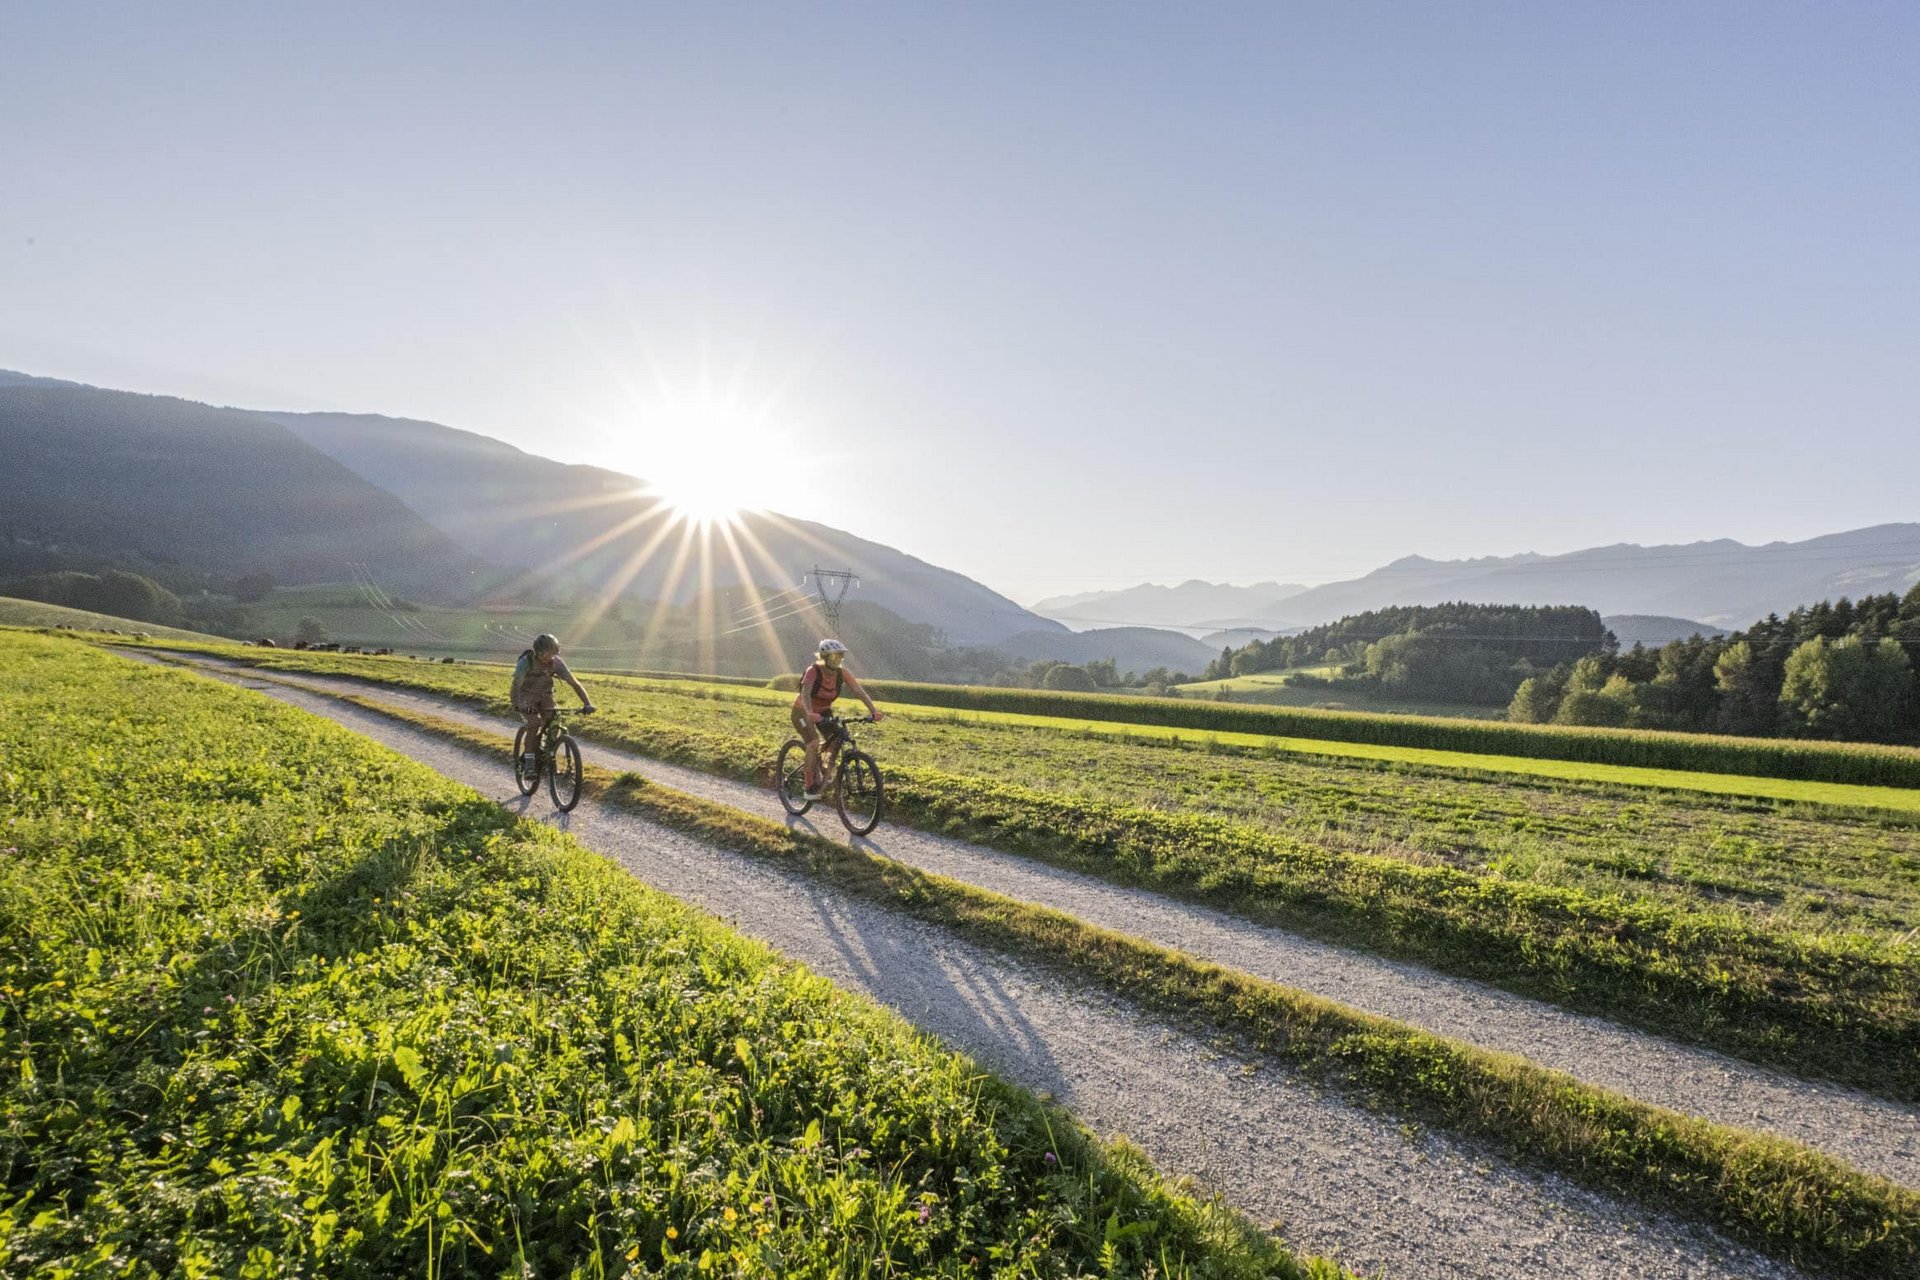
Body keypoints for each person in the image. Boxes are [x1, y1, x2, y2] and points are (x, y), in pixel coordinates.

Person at [791, 638, 883, 798]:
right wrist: (810, 712)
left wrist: (873, 711)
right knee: (813, 742)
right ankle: (809, 786)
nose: (838, 659)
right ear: (824, 657)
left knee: (835, 741)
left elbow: (859, 692)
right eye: (834, 656)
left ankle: (825, 773)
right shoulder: (813, 671)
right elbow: (805, 694)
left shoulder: (842, 674)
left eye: (840, 656)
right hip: (802, 711)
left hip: (824, 712)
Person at [511, 633, 595, 768]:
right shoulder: (526, 662)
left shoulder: (556, 663)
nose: (550, 658)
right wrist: (518, 704)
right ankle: (529, 763)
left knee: (555, 721)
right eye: (547, 655)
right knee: (534, 724)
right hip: (526, 696)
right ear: (538, 652)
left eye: (553, 655)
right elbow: (516, 686)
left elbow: (574, 684)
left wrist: (587, 703)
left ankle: (546, 752)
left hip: (546, 696)